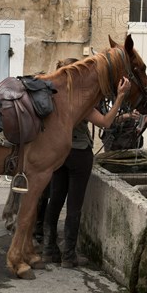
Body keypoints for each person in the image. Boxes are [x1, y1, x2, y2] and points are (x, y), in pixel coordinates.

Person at [42, 58, 131, 267]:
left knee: (54, 200)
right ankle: (69, 256)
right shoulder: (81, 103)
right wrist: (120, 97)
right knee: (74, 205)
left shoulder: (54, 99)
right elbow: (106, 122)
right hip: (80, 154)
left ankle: (48, 250)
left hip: (59, 153)